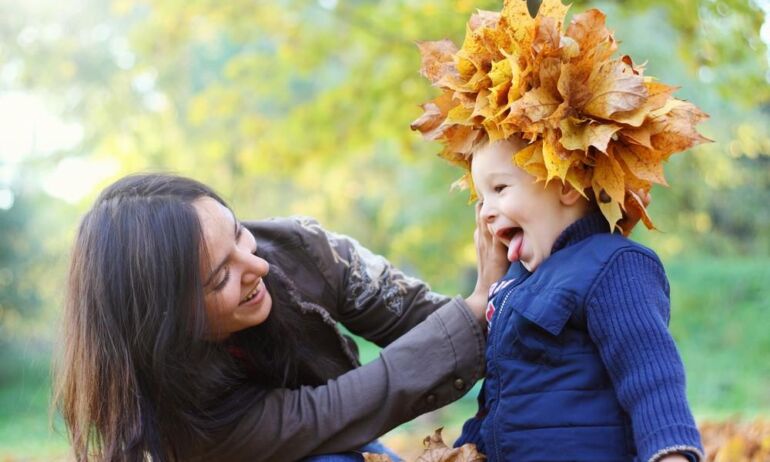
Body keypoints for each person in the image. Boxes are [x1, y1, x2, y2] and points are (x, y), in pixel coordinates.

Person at [411, 0, 709, 460]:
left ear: (564, 182)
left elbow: (650, 375)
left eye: (501, 188)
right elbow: (498, 404)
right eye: (480, 196)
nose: (486, 212)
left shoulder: (612, 266)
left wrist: (669, 453)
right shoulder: (515, 287)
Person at [53, 173, 508, 462]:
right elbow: (335, 412)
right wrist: (472, 309)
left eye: (239, 235)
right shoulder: (182, 415)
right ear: (167, 320)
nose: (259, 268)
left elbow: (416, 315)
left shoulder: (301, 250)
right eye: (219, 277)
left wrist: (496, 302)